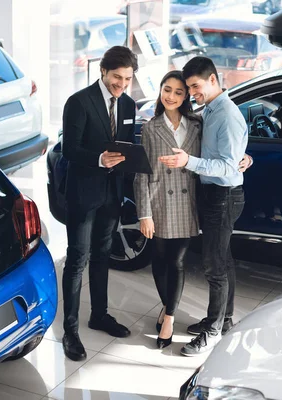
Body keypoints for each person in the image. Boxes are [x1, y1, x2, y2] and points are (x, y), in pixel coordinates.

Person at [158, 56, 248, 356]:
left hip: (224, 196)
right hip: (215, 194)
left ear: (213, 79)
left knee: (214, 267)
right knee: (223, 260)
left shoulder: (227, 116)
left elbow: (226, 165)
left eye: (195, 87)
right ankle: (223, 320)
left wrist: (189, 162)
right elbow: (235, 155)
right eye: (189, 88)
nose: (192, 93)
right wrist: (246, 158)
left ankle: (212, 332)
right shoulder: (211, 109)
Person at [61, 46, 138, 361]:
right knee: (78, 260)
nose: (121, 84)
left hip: (112, 193)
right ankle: (70, 331)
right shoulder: (79, 102)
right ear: (103, 72)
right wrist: (98, 159)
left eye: (127, 79)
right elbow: (69, 149)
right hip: (83, 193)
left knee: (104, 255)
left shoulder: (129, 104)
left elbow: (127, 146)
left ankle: (100, 315)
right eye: (117, 77)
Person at [133, 70, 202, 349]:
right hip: (159, 200)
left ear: (186, 96)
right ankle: (166, 305)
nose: (171, 96)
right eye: (167, 90)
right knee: (159, 260)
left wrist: (244, 157)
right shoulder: (151, 127)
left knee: (176, 261)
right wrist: (144, 213)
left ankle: (169, 317)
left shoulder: (198, 124)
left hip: (188, 202)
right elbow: (142, 173)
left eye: (178, 92)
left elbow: (216, 155)